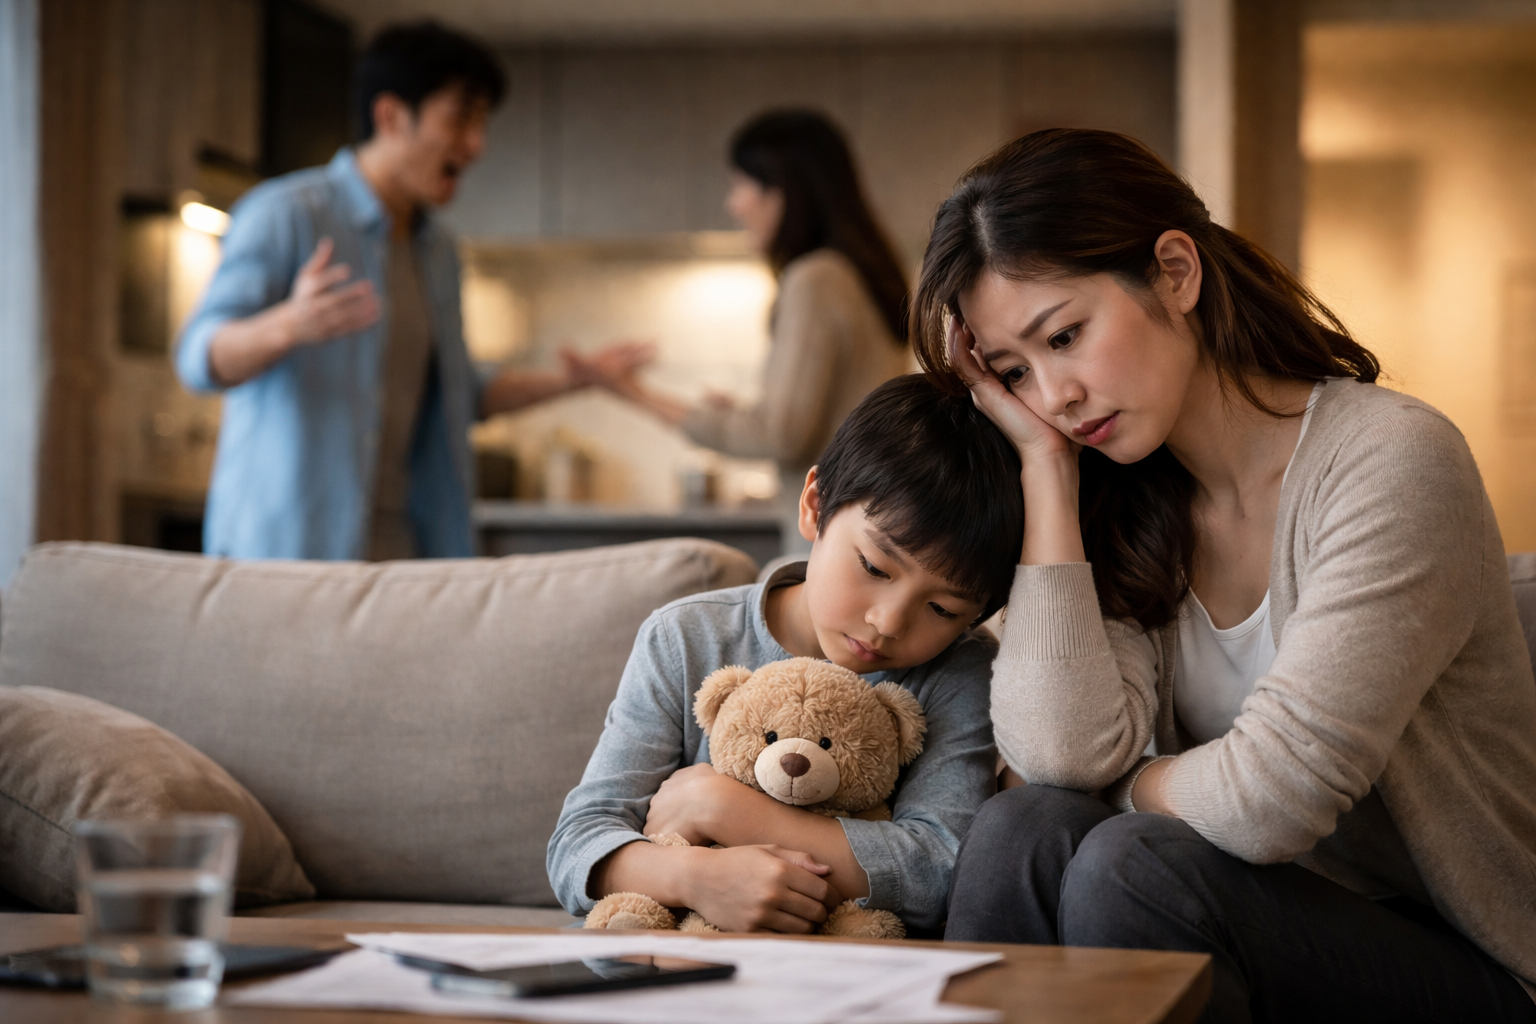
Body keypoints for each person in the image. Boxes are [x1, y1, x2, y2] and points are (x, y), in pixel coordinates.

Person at [912, 129, 1536, 1022]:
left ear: (1175, 271)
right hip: (1239, 919)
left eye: (1066, 336)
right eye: (1015, 373)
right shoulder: (1125, 497)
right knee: (1026, 829)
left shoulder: (1393, 461)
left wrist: (1127, 787)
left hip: (1462, 960)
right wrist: (1045, 472)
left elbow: (1271, 802)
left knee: (1133, 866)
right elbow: (1057, 760)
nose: (1055, 396)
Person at [546, 375, 1021, 936]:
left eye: (942, 608)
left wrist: (720, 807)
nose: (888, 622)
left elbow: (941, 869)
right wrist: (696, 876)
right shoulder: (686, 637)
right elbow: (579, 841)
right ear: (815, 505)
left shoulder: (957, 671)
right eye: (873, 567)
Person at [176, 22, 648, 560]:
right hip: (283, 555)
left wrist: (574, 381)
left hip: (402, 553)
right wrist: (289, 324)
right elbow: (198, 358)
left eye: (482, 123)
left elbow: (461, 396)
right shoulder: (286, 215)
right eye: (461, 119)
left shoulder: (439, 250)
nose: (477, 145)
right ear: (391, 116)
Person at [595, 110, 911, 554]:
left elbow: (781, 434)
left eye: (740, 185)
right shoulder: (857, 274)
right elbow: (818, 419)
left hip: (832, 546)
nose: (734, 204)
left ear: (781, 191)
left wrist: (635, 394)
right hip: (869, 536)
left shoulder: (816, 279)